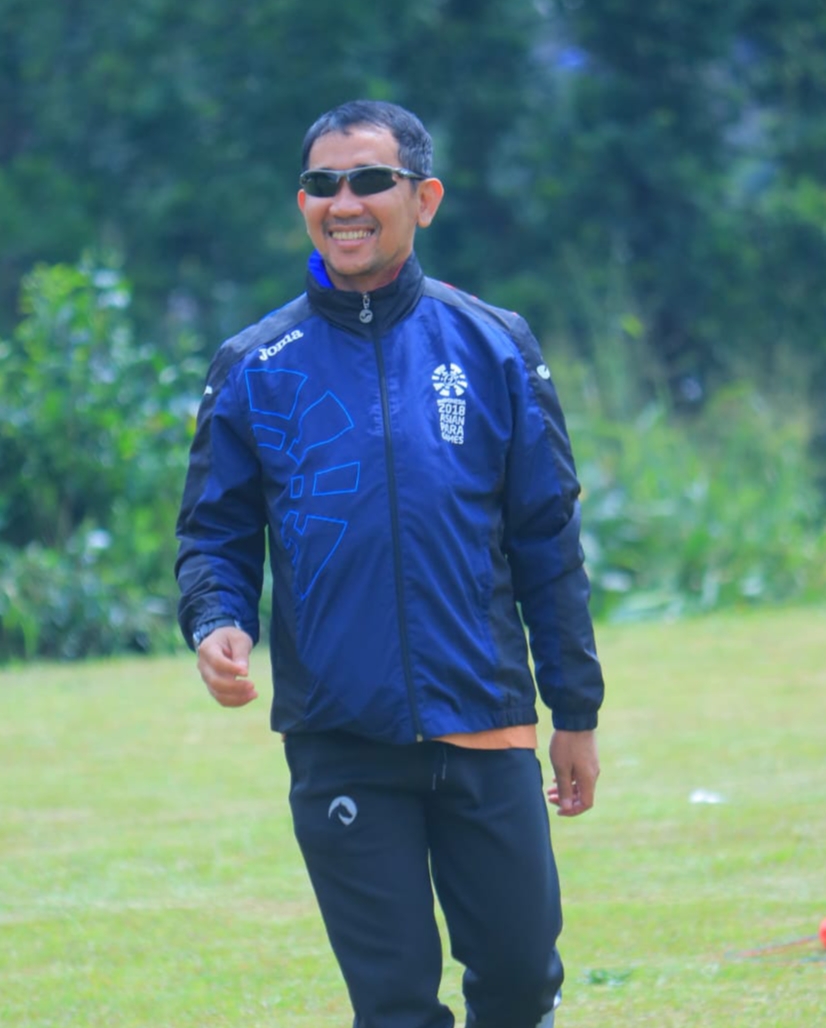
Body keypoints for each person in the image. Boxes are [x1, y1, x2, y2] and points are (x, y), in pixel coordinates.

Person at [176, 99, 604, 1028]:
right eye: (322, 185)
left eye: (370, 180)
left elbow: (547, 540)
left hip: (485, 721)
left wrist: (575, 711)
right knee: (396, 1006)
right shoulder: (253, 364)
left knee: (521, 982)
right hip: (341, 738)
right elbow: (213, 532)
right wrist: (217, 620)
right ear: (303, 204)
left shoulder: (494, 345)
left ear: (425, 198)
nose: (345, 203)